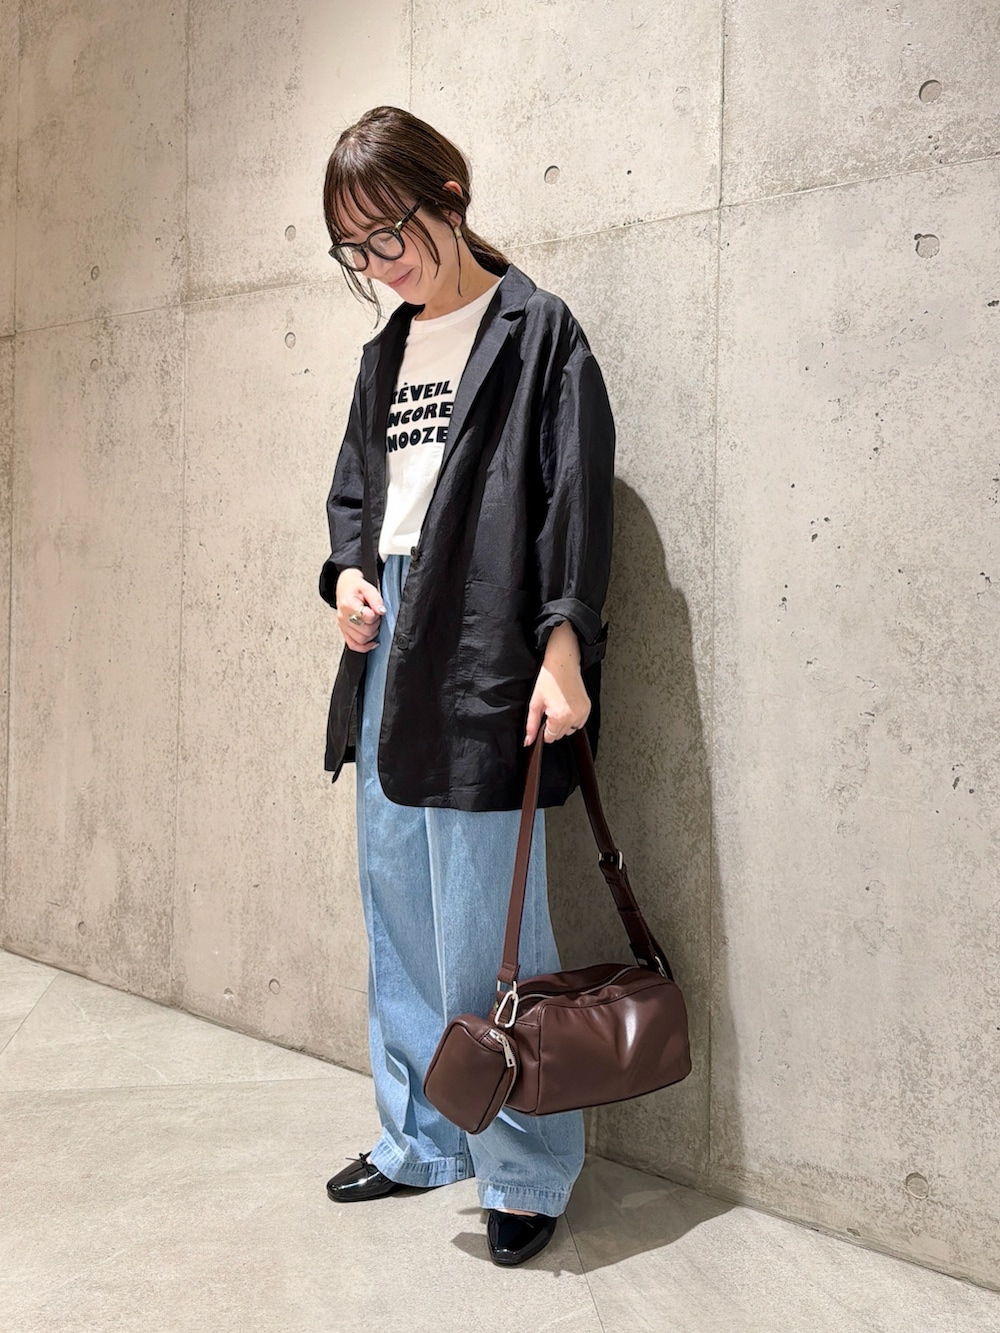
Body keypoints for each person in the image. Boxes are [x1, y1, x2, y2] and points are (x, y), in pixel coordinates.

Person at [318, 106, 615, 1267]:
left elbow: (573, 500)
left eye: (389, 234)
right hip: (387, 638)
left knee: (489, 925)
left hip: (489, 629)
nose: (379, 263)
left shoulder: (538, 332)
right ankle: (422, 1138)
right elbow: (358, 494)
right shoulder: (383, 351)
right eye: (355, 250)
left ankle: (524, 1167)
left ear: (448, 194)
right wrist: (347, 574)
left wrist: (563, 650)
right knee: (396, 902)